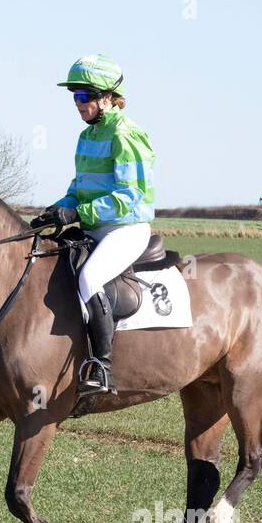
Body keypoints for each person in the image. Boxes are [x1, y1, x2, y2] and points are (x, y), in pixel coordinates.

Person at [28, 55, 156, 397]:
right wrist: (58, 210)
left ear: (108, 97)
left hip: (125, 228)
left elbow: (130, 196)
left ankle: (102, 366)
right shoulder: (87, 137)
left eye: (84, 96)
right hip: (95, 225)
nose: (78, 104)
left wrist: (79, 214)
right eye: (75, 97)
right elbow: (79, 188)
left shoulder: (127, 134)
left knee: (88, 278)